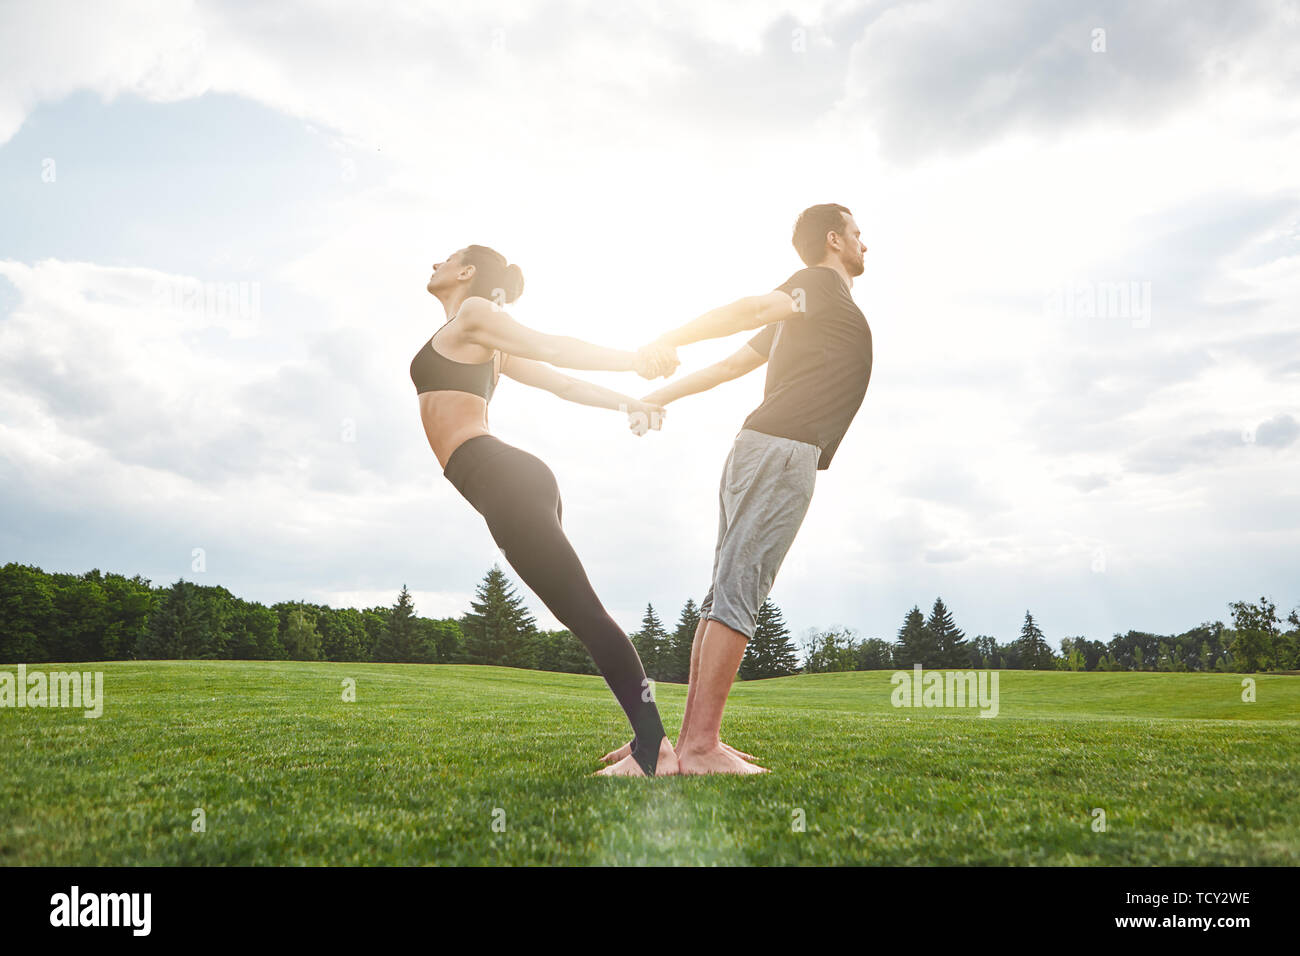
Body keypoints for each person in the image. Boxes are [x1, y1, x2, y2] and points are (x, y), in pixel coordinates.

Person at [602, 203, 872, 774]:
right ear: (833, 239)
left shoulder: (808, 313)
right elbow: (749, 308)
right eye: (857, 234)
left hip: (761, 450)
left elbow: (727, 369)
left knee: (725, 589)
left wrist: (659, 398)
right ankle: (700, 747)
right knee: (740, 589)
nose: (864, 245)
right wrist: (670, 336)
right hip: (780, 451)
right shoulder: (817, 286)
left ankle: (688, 741)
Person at [412, 243, 680, 777]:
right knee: (580, 611)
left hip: (505, 480)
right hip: (505, 481)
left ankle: (654, 751)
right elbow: (564, 385)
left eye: (446, 257)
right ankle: (648, 740)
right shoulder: (474, 334)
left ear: (467, 273)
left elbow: (554, 351)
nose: (433, 261)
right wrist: (629, 402)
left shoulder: (475, 314)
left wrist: (634, 361)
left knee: (583, 612)